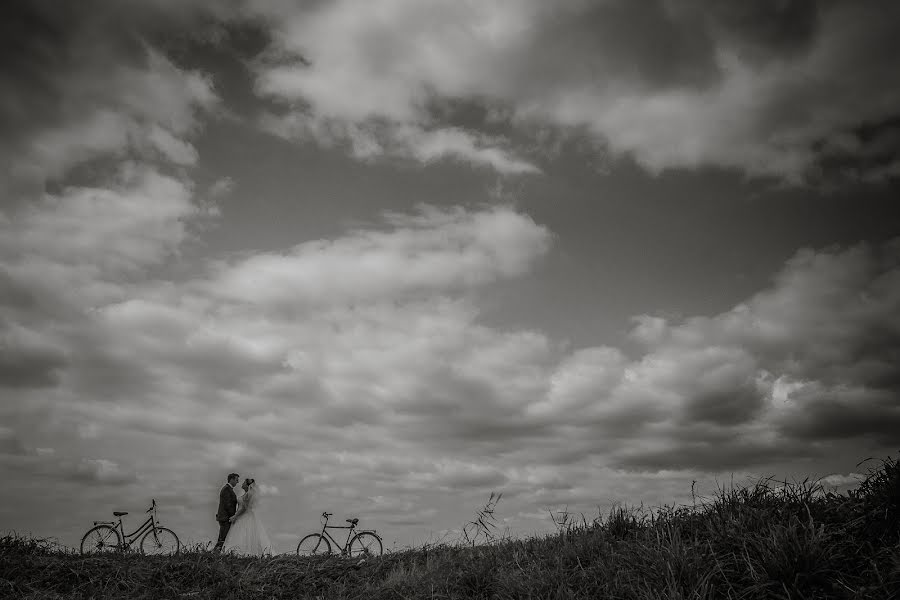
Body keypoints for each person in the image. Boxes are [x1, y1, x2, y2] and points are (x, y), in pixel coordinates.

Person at [222, 477, 272, 556]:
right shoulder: (246, 494)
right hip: (244, 516)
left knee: (242, 533)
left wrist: (235, 516)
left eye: (243, 483)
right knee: (243, 534)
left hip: (244, 516)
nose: (242, 484)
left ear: (247, 485)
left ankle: (241, 553)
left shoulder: (248, 494)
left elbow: (244, 508)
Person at [214, 473, 240, 552]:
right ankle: (215, 554)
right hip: (225, 517)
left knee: (222, 538)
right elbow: (228, 505)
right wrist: (233, 517)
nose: (238, 482)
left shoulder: (228, 489)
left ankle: (215, 553)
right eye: (236, 480)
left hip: (225, 517)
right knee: (223, 539)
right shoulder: (226, 489)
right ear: (231, 479)